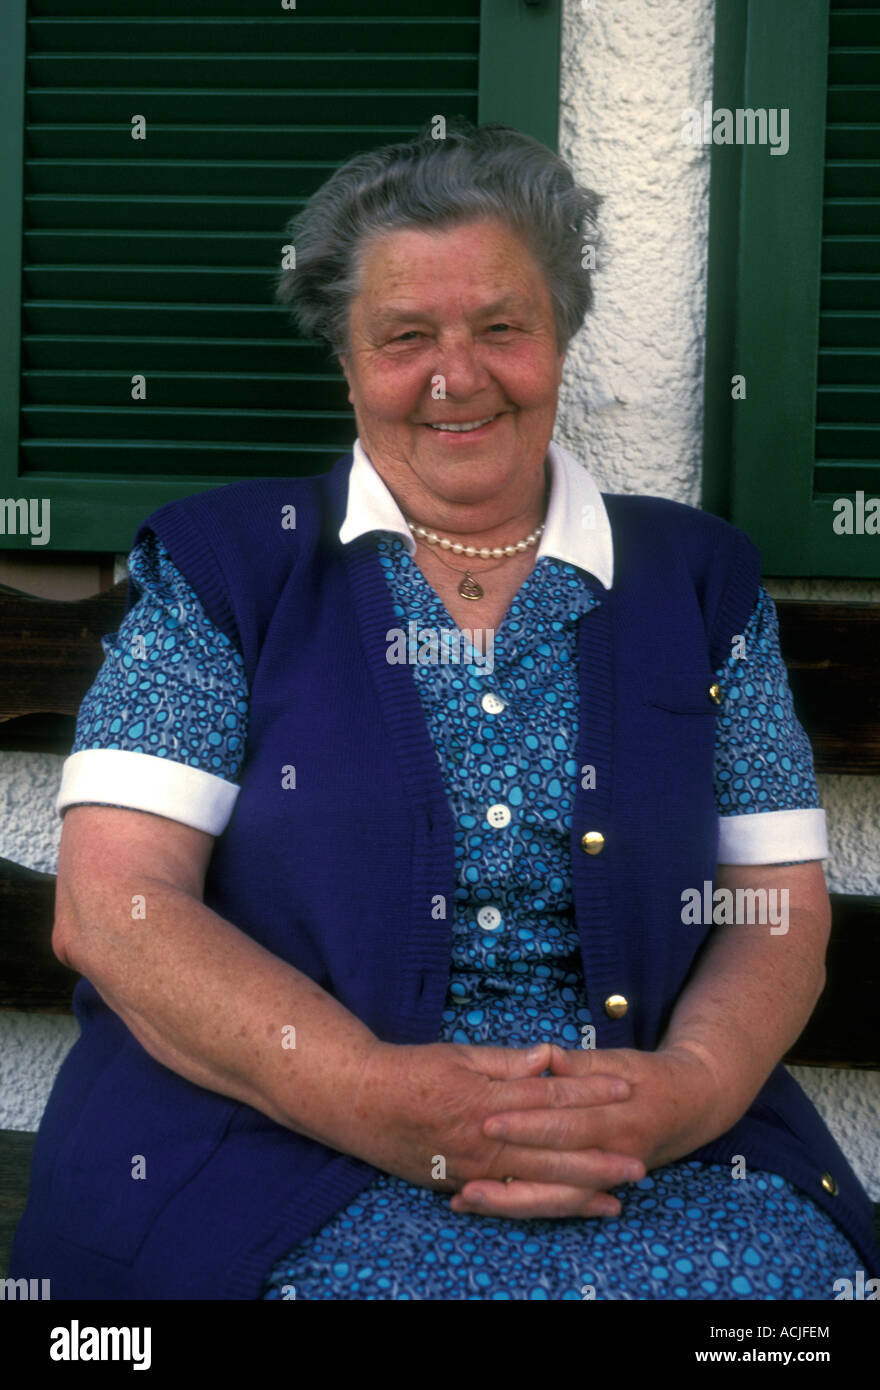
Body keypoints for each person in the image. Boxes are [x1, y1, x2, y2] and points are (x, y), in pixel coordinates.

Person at [10, 119, 880, 1301]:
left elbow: (775, 907)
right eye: (405, 335)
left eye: (502, 328)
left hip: (649, 1145)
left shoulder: (696, 580)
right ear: (348, 356)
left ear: (560, 337)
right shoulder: (229, 568)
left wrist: (685, 1092)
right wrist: (380, 1095)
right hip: (278, 1133)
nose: (456, 375)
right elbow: (112, 907)